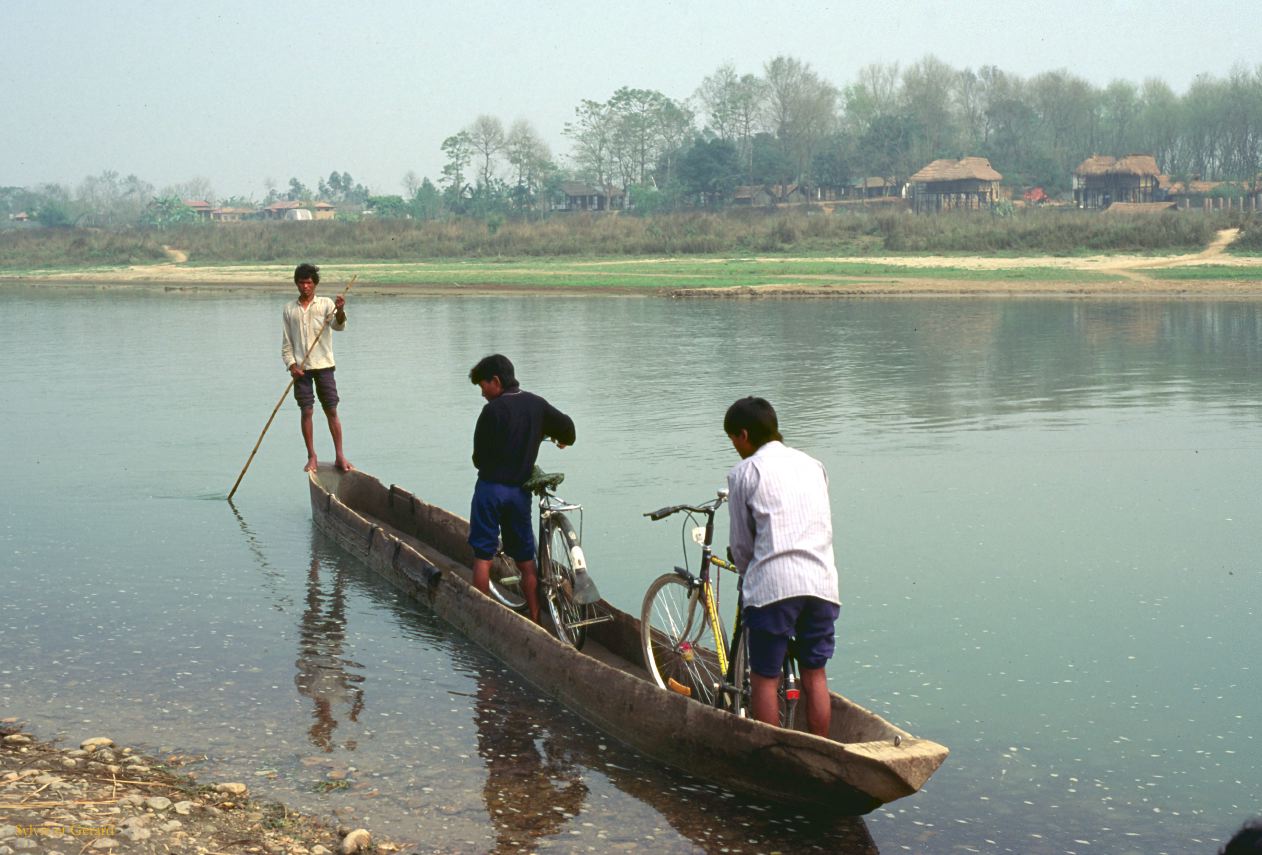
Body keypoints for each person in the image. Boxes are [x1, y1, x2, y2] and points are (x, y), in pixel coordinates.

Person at [724, 396, 841, 737]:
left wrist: (748, 574)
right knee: (815, 674)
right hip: (822, 583)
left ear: (743, 435)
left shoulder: (744, 473)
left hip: (774, 587)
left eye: (733, 439)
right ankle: (820, 748)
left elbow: (743, 547)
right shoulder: (813, 465)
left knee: (764, 676)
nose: (734, 447)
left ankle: (770, 754)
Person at [467, 354, 575, 623]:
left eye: (483, 387)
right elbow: (569, 431)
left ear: (496, 381)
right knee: (527, 560)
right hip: (518, 494)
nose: (483, 394)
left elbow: (478, 458)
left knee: (483, 556)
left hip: (490, 490)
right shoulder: (536, 405)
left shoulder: (492, 411)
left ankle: (482, 617)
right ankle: (535, 618)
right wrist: (559, 439)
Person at [281, 263, 351, 473]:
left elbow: (339, 326)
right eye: (301, 283)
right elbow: (287, 344)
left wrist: (340, 310)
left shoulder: (326, 304)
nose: (305, 287)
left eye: (309, 283)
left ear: (315, 284)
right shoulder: (289, 309)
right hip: (301, 368)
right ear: (296, 284)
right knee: (307, 410)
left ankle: (339, 455)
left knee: (331, 409)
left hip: (324, 365)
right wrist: (292, 365)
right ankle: (312, 456)